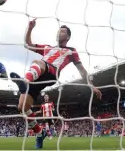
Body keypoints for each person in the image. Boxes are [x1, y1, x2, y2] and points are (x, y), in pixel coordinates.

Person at [10, 19, 102, 149]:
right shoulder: (47, 47)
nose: (59, 32)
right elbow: (28, 44)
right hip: (37, 78)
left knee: (39, 62)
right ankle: (40, 133)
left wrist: (91, 85)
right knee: (22, 107)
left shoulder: (71, 51)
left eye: (63, 31)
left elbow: (82, 70)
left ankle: (24, 81)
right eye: (59, 30)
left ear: (68, 37)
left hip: (51, 72)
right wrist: (30, 28)